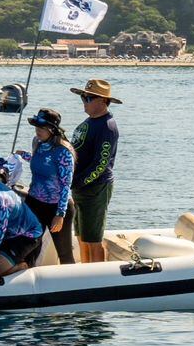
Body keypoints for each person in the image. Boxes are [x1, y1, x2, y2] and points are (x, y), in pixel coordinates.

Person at [69, 78, 121, 263]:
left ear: (102, 101)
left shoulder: (107, 126)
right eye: (83, 97)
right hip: (79, 187)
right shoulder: (88, 122)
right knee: (81, 236)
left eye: (88, 98)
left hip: (95, 188)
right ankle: (84, 271)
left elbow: (101, 164)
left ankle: (96, 274)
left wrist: (78, 182)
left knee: (93, 239)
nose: (84, 102)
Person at [17, 108, 76, 265]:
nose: (38, 131)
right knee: (29, 248)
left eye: (42, 128)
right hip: (34, 203)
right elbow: (42, 162)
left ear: (52, 129)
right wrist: (24, 156)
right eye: (36, 127)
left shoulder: (63, 151)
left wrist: (60, 214)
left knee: (64, 253)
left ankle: (71, 283)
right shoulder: (37, 142)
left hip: (56, 207)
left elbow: (66, 185)